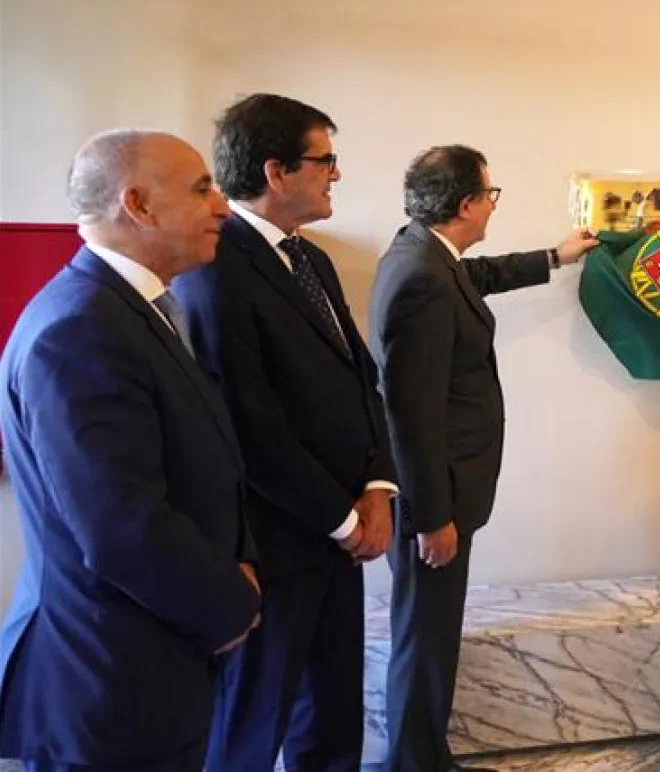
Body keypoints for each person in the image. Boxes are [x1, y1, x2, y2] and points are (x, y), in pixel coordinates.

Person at [0, 131, 261, 772]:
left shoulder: (130, 311)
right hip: (110, 679)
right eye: (202, 188)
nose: (223, 206)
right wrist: (231, 601)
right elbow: (121, 526)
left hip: (150, 661)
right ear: (138, 206)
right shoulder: (81, 328)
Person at [172, 94, 398, 772]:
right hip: (274, 544)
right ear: (277, 170)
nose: (336, 175)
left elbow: (363, 382)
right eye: (325, 160)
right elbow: (246, 421)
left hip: (340, 536)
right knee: (253, 727)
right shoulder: (216, 267)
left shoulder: (311, 260)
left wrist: (377, 487)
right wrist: (340, 518)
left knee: (332, 720)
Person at [368, 146, 595, 772]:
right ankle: (415, 763)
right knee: (425, 637)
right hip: (433, 497)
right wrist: (429, 516)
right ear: (466, 203)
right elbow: (409, 414)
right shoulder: (422, 278)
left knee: (431, 634)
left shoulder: (423, 254)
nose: (493, 204)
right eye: (491, 194)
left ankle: (423, 756)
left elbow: (481, 276)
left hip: (444, 489)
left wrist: (557, 255)